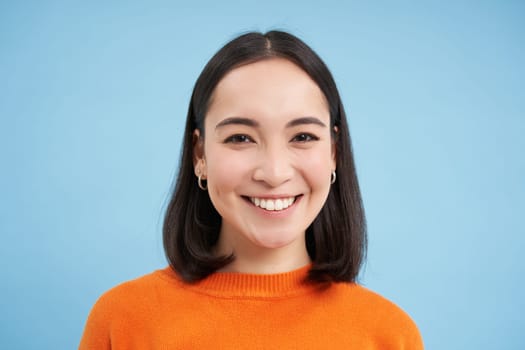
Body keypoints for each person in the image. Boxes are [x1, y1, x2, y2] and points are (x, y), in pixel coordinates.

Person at [79, 30, 424, 349]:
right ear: (200, 154)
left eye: (303, 137)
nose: (274, 173)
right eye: (240, 137)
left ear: (333, 152)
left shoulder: (388, 334)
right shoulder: (123, 320)